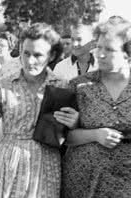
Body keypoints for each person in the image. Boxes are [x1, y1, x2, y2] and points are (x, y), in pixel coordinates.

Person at [0, 23, 79, 198]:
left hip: (45, 166)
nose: (30, 61)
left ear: (51, 55)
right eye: (26, 53)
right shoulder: (3, 84)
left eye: (37, 55)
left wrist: (73, 123)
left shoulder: (61, 87)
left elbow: (68, 134)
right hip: (6, 161)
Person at [62, 19, 131, 198]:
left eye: (109, 50)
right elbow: (63, 137)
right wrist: (95, 134)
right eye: (99, 47)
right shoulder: (79, 86)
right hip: (82, 182)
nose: (100, 55)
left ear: (127, 54)